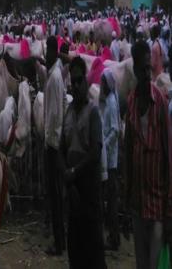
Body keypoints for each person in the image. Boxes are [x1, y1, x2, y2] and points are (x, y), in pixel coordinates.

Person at [124, 40, 171, 269]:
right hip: (137, 205)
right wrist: (126, 196)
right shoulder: (131, 103)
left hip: (157, 206)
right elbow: (128, 152)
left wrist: (169, 212)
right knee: (141, 265)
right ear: (133, 70)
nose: (145, 74)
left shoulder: (161, 103)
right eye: (140, 69)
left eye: (148, 69)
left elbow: (169, 158)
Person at [60, 56, 107, 269]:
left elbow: (96, 151)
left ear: (86, 82)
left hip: (88, 192)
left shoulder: (93, 112)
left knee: (93, 252)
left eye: (80, 81)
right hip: (73, 193)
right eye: (73, 82)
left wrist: (74, 173)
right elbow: (62, 148)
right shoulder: (68, 113)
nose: (76, 86)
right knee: (75, 251)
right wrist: (67, 179)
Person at [44, 36, 66, 255]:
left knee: (57, 195)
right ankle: (59, 239)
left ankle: (60, 243)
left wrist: (52, 144)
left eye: (48, 51)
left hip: (53, 144)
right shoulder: (54, 75)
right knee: (55, 194)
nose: (45, 55)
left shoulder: (56, 77)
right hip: (52, 141)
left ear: (53, 51)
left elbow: (56, 115)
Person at [99, 69, 121, 250]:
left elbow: (115, 130)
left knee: (111, 200)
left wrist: (104, 146)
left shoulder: (112, 103)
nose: (101, 86)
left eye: (103, 83)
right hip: (109, 157)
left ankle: (114, 238)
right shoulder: (109, 101)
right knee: (110, 198)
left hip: (111, 160)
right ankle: (113, 236)